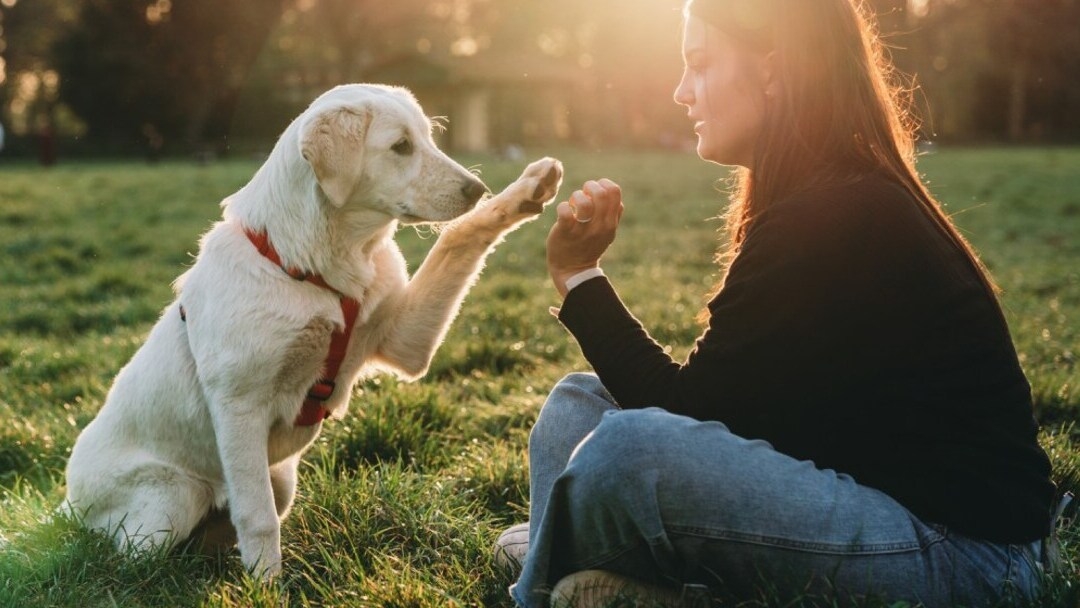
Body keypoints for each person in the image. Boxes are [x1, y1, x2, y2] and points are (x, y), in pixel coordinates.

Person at [495, 0, 1060, 606]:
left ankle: (547, 576)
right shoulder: (820, 194)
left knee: (629, 450)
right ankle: (585, 566)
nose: (682, 92)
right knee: (576, 406)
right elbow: (731, 413)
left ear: (771, 70)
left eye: (701, 64)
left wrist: (579, 275)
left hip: (969, 559)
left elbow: (685, 413)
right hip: (868, 493)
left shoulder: (834, 213)